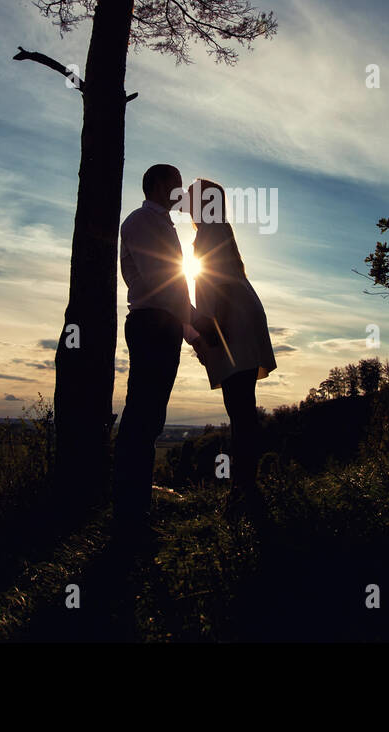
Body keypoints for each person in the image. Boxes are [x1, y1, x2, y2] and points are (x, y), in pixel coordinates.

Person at [112, 164, 201, 542]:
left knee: (149, 418)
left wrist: (184, 325)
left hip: (161, 323)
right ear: (158, 185)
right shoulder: (141, 222)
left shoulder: (161, 223)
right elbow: (160, 278)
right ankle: (130, 512)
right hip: (151, 323)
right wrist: (191, 320)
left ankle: (136, 507)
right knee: (142, 417)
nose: (180, 191)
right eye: (176, 185)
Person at [181, 178, 277, 523]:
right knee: (242, 408)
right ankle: (246, 489)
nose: (186, 203)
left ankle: (243, 492)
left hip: (231, 323)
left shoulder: (209, 232)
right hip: (237, 319)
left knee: (240, 409)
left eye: (191, 198)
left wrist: (211, 329)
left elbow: (217, 284)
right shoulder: (216, 229)